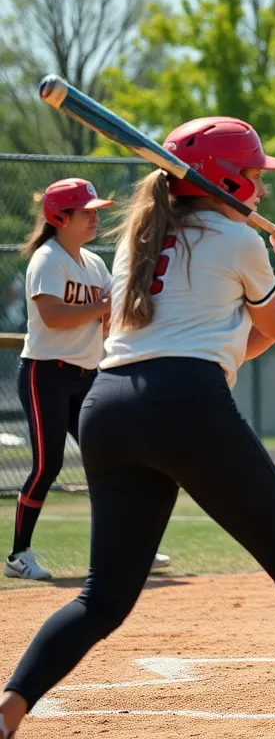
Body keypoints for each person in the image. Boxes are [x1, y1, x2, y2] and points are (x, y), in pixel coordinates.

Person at [0, 117, 275, 739]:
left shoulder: (139, 238)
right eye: (255, 178)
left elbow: (238, 341)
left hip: (110, 404)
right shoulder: (238, 242)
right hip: (186, 405)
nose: (260, 191)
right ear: (226, 180)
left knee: (103, 598)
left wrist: (262, 297)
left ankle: (6, 715)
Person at [6, 179, 170, 582]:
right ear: (59, 218)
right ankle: (18, 556)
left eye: (95, 210)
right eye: (86, 212)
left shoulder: (93, 263)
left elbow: (108, 317)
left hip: (86, 374)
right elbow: (55, 317)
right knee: (48, 465)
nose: (95, 217)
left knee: (111, 459)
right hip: (46, 373)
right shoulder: (47, 258)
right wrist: (104, 305)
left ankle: (131, 550)